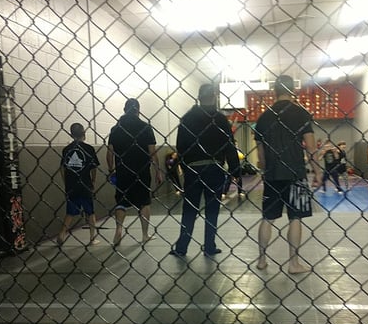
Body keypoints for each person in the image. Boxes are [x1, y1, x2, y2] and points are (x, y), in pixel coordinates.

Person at [253, 75, 321, 273]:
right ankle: (293, 263)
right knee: (295, 218)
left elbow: (260, 153)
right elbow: (310, 147)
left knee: (267, 218)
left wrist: (265, 170)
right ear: (293, 90)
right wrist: (317, 172)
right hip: (296, 173)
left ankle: (262, 260)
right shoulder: (301, 114)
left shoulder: (263, 118)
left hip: (272, 174)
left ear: (274, 91)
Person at [170, 83, 240, 257]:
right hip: (214, 167)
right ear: (215, 97)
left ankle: (182, 247)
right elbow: (229, 146)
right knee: (212, 209)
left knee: (189, 209)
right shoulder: (220, 119)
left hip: (193, 168)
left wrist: (185, 167)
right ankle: (209, 245)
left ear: (199, 98)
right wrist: (235, 170)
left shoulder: (187, 119)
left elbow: (181, 146)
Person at [106, 98, 163, 247]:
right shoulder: (145, 127)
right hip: (142, 171)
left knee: (121, 201)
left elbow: (109, 153)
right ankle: (144, 235)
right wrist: (157, 171)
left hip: (122, 171)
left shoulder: (116, 128)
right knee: (144, 201)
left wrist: (111, 170)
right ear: (138, 110)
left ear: (124, 110)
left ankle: (119, 230)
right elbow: (152, 152)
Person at [57, 122, 100, 246]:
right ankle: (92, 238)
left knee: (70, 212)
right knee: (90, 212)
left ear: (71, 135)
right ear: (83, 133)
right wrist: (93, 181)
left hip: (71, 185)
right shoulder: (89, 149)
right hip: (85, 184)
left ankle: (62, 234)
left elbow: (62, 168)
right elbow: (94, 168)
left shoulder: (66, 149)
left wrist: (66, 181)